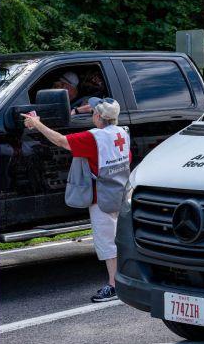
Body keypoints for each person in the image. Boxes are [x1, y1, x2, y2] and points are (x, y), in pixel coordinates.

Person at [22, 97, 130, 302]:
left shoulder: (94, 138)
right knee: (119, 238)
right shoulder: (121, 133)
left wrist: (37, 124)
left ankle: (114, 286)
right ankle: (126, 279)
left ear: (98, 116)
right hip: (120, 193)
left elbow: (61, 141)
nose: (91, 115)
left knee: (106, 243)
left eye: (93, 113)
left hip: (102, 199)